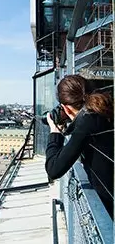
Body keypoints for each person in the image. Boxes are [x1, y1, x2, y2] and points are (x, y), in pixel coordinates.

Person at [45, 75, 113, 219]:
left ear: (66, 108)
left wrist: (54, 131)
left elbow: (53, 169)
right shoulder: (105, 110)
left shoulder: (87, 122)